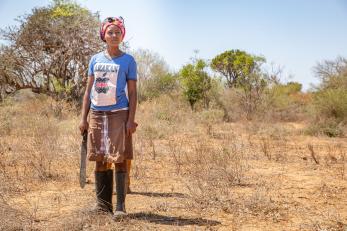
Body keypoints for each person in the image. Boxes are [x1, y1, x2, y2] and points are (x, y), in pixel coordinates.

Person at [79, 16, 137, 220]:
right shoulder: (95, 59)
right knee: (99, 157)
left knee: (119, 158)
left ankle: (120, 207)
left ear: (122, 35)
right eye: (110, 32)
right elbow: (88, 91)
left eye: (117, 32)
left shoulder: (128, 60)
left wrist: (131, 119)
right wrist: (83, 118)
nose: (114, 35)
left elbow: (133, 92)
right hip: (96, 113)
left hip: (119, 113)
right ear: (104, 35)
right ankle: (102, 205)